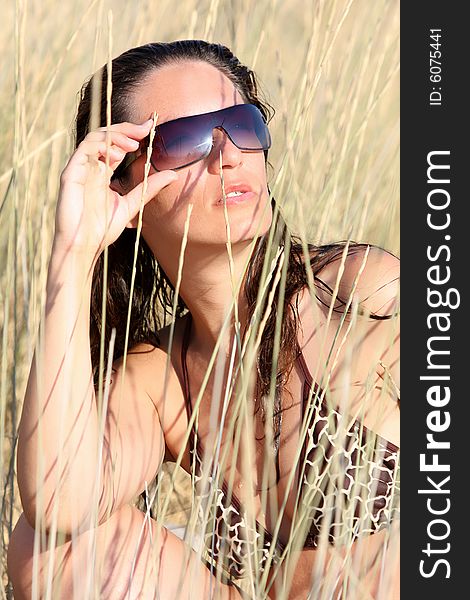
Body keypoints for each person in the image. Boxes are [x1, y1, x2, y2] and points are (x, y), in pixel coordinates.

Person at [7, 40, 400, 599]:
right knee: (49, 551)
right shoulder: (159, 379)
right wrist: (73, 253)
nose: (229, 155)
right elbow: (57, 502)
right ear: (123, 184)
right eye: (187, 140)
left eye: (241, 123)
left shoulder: (358, 292)